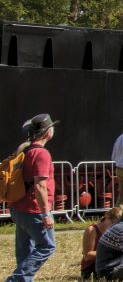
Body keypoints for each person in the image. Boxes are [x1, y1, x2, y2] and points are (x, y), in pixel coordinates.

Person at [7, 113, 59, 282]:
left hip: (18, 207)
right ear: (48, 132)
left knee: (24, 250)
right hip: (34, 209)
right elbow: (40, 185)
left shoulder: (24, 150)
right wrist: (45, 213)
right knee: (47, 246)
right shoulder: (42, 154)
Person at [81, 206, 122, 279]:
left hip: (109, 263)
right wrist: (110, 252)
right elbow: (87, 256)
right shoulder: (92, 230)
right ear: (107, 217)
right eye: (114, 224)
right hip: (91, 268)